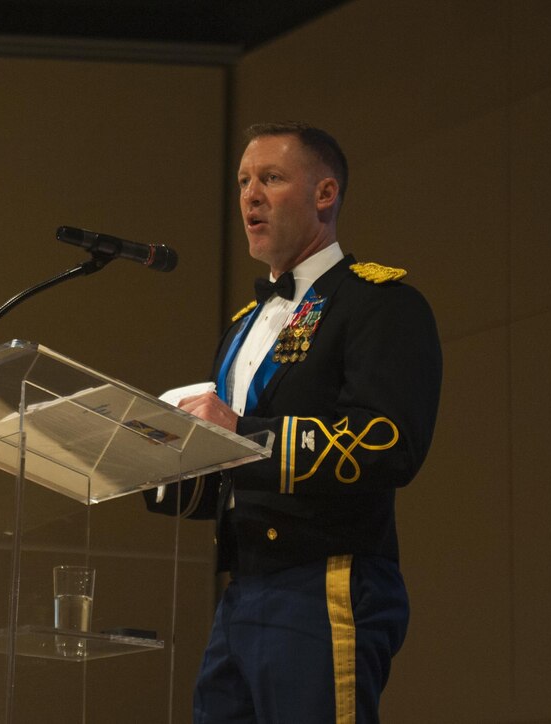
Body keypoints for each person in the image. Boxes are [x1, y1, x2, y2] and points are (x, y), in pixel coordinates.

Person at [146, 122, 442, 723]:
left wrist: (241, 434)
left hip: (327, 579)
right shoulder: (243, 325)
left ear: (325, 194)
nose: (250, 195)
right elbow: (232, 468)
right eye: (243, 181)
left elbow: (387, 444)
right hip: (241, 590)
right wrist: (149, 456)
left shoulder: (379, 302)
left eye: (272, 178)